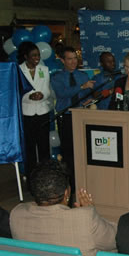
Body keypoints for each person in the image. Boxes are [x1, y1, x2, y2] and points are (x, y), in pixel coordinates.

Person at [9, 159, 116, 256]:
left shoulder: (17, 214)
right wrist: (92, 211)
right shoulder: (85, 218)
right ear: (66, 193)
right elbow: (115, 240)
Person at [50, 46, 95, 191]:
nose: (74, 61)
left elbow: (88, 95)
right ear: (62, 60)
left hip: (82, 115)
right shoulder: (57, 77)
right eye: (70, 59)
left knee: (84, 150)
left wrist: (89, 100)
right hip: (66, 117)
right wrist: (81, 87)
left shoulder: (83, 76)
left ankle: (84, 182)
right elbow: (62, 93)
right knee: (68, 152)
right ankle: (71, 184)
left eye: (75, 58)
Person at [17, 41, 53, 179]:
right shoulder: (19, 70)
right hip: (27, 114)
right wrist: (29, 96)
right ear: (26, 56)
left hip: (43, 112)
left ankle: (46, 177)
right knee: (30, 148)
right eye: (33, 56)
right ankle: (31, 178)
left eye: (38, 55)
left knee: (44, 148)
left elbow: (47, 90)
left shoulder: (44, 70)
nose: (37, 58)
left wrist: (42, 95)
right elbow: (17, 92)